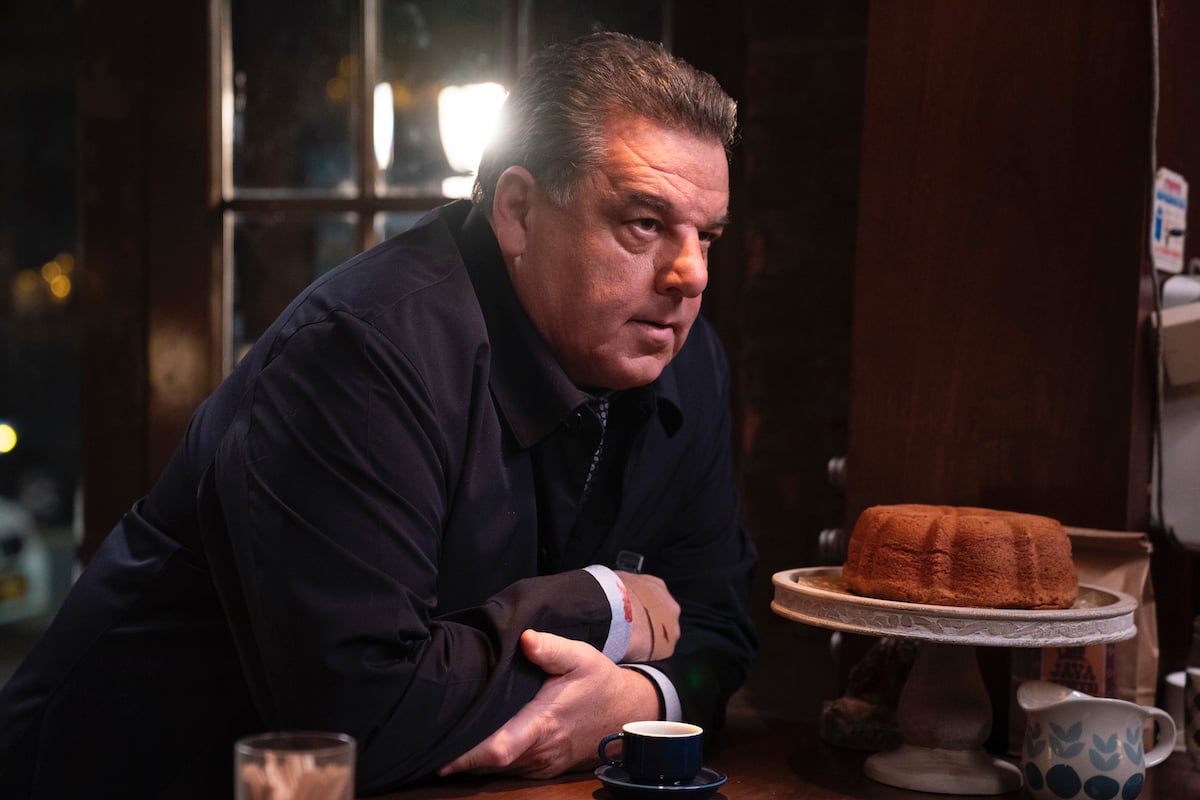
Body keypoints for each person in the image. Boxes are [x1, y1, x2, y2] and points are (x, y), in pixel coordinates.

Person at [0, 31, 756, 797]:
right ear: (519, 212)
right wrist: (604, 605)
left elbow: (719, 634)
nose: (690, 275)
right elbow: (362, 713)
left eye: (706, 236)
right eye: (643, 224)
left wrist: (637, 701)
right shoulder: (360, 352)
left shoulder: (684, 360)